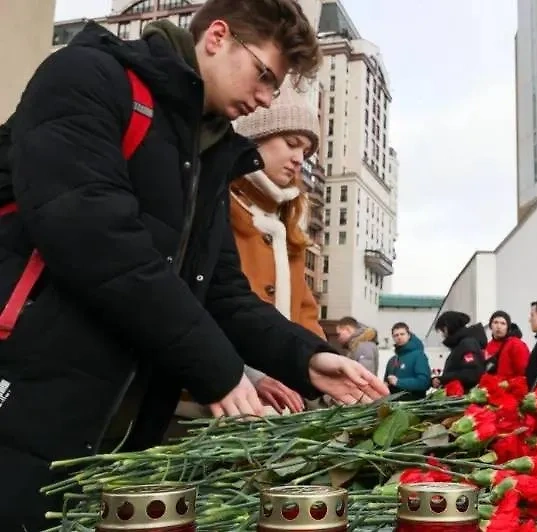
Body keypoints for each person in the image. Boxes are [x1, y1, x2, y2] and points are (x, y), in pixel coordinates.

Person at [0, 2, 388, 528]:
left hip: (125, 426)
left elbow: (222, 293)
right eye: (265, 76)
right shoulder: (87, 76)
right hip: (31, 397)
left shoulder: (208, 152)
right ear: (217, 37)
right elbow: (98, 240)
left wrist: (307, 358)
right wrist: (218, 372)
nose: (264, 100)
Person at [175, 82, 324, 419]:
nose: (299, 159)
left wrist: (321, 365)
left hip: (279, 403)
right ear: (256, 136)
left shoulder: (290, 227)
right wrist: (246, 373)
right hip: (211, 400)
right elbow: (207, 302)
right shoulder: (214, 206)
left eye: (307, 152)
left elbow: (305, 314)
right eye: (291, 143)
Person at [431, 311, 487, 391]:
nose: (443, 335)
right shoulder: (459, 345)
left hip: (466, 396)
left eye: (443, 330)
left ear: (448, 327)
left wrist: (444, 379)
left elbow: (471, 374)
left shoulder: (467, 344)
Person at [384, 322, 432, 400]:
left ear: (409, 335)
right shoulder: (392, 360)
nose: (399, 337)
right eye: (396, 335)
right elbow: (386, 381)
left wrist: (399, 382)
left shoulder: (419, 355)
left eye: (402, 334)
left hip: (413, 405)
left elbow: (424, 382)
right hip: (393, 405)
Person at [484, 310, 530, 379]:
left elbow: (523, 371)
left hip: (510, 387)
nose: (499, 326)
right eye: (495, 322)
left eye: (503, 323)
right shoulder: (488, 346)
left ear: (508, 327)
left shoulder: (516, 344)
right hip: (491, 387)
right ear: (490, 326)